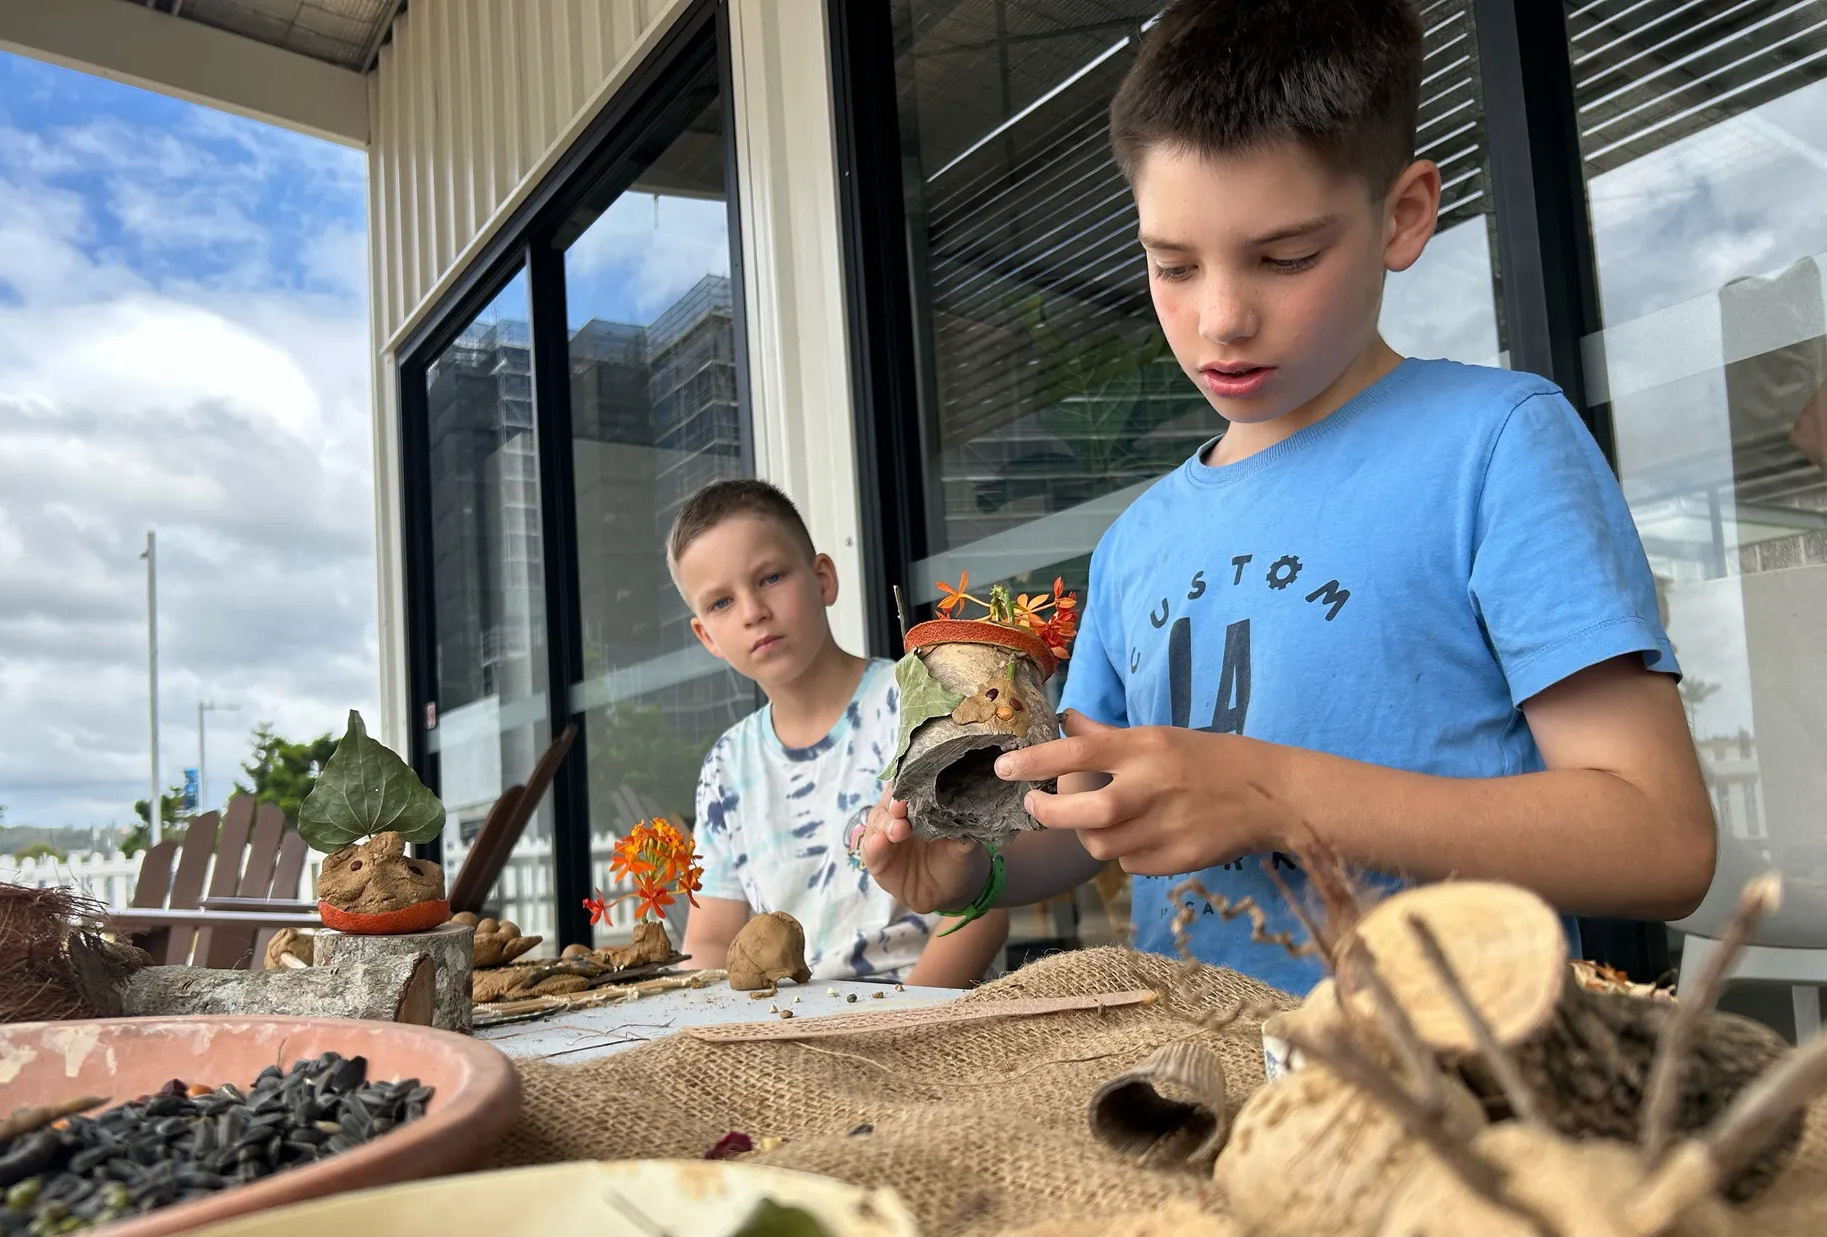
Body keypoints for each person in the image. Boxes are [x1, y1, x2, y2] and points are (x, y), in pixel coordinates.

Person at [860, 0, 1716, 994]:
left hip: (1445, 1083)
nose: (1220, 319)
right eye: (1171, 265)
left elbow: (1661, 841)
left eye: (1286, 257)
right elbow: (1093, 813)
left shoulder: (1494, 446)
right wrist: (976, 866)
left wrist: (1274, 793)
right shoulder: (1139, 540)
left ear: (1402, 216)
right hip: (1196, 1080)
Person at [668, 478, 1007, 986]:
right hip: (791, 1027)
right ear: (706, 638)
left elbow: (987, 902)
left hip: (928, 1015)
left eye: (770, 577)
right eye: (720, 603)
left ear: (823, 578)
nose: (752, 612)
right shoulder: (725, 767)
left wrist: (891, 1033)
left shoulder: (919, 703)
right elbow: (712, 940)